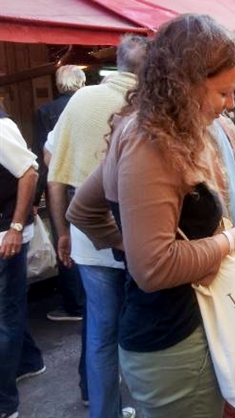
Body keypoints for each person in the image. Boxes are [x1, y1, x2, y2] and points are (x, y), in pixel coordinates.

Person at [67, 14, 235, 418]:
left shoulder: (155, 130)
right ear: (186, 82)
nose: (230, 105)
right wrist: (230, 242)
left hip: (183, 330)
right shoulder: (149, 143)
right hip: (174, 343)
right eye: (223, 92)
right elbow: (152, 268)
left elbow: (83, 208)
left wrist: (129, 243)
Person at [47, 35, 148, 418]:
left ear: (116, 64)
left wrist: (62, 233)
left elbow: (54, 171)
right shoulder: (149, 104)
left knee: (101, 336)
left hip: (89, 241)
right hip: (142, 240)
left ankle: (104, 411)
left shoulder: (80, 100)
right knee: (144, 330)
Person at [0, 106, 45, 418]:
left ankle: (5, 404)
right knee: (9, 309)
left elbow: (29, 171)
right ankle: (29, 361)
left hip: (5, 235)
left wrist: (15, 227)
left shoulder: (0, 126)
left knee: (5, 315)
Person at [33, 65, 87, 322]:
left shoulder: (46, 111)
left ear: (57, 84)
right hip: (90, 186)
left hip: (61, 188)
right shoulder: (90, 106)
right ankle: (90, 299)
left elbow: (42, 158)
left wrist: (35, 199)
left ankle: (74, 304)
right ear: (82, 82)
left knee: (64, 240)